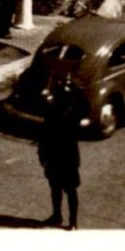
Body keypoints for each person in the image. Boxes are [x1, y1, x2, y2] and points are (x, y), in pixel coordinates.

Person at [38, 79, 83, 230]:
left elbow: (44, 135)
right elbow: (44, 135)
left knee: (65, 190)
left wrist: (42, 155)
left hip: (64, 158)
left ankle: (69, 220)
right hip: (59, 157)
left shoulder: (69, 114)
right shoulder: (64, 113)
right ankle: (62, 218)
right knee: (59, 189)